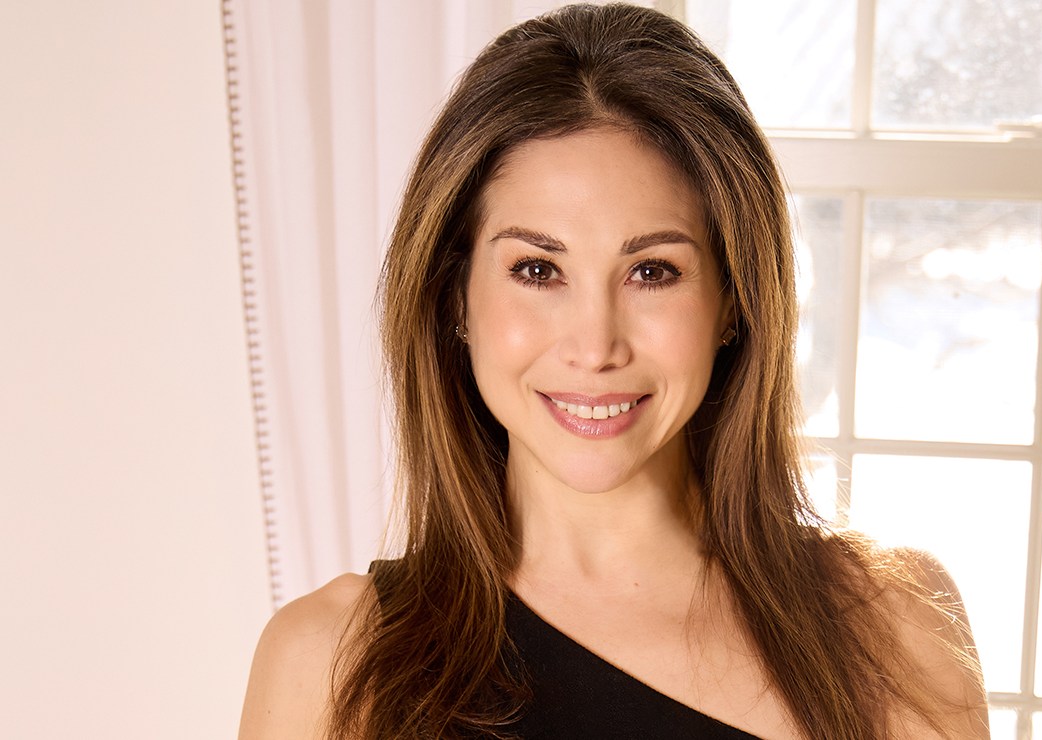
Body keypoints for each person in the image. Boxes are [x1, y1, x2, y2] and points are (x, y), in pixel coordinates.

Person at [238, 4, 990, 738]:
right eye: (537, 269)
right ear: (454, 296)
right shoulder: (330, 660)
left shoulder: (893, 629)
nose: (595, 346)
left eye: (652, 271)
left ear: (733, 302)